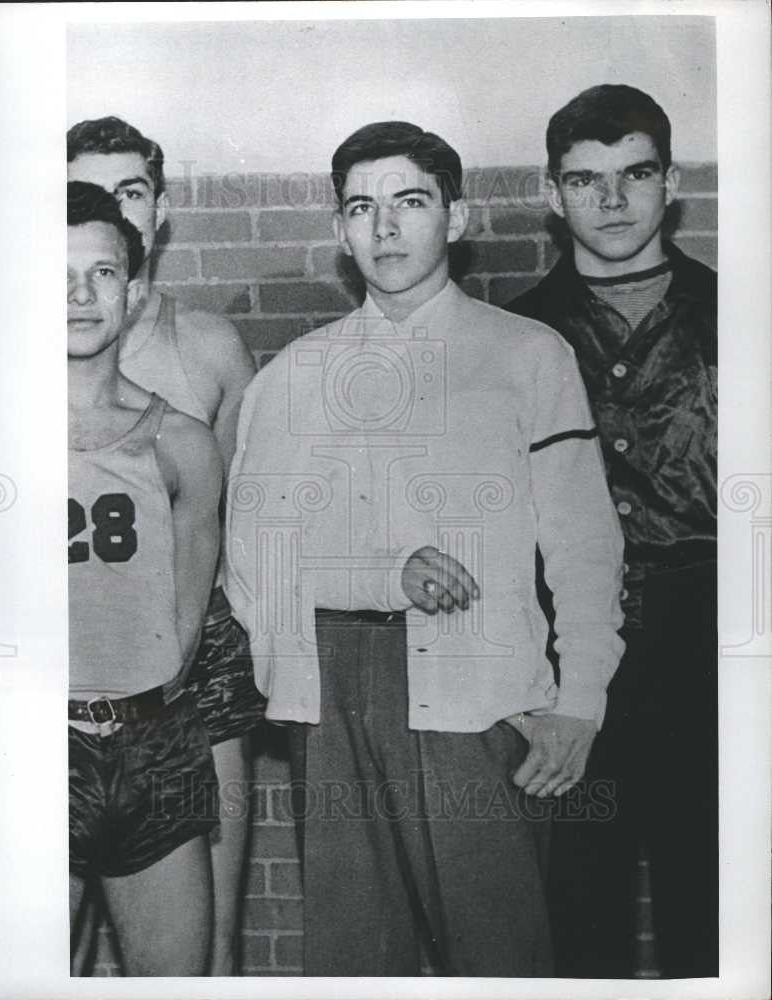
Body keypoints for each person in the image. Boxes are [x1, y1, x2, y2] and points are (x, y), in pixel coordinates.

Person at [224, 121, 625, 976]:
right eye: (362, 208)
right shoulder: (292, 374)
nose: (387, 228)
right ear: (340, 231)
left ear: (457, 216)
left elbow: (585, 545)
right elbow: (253, 561)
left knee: (501, 951)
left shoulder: (526, 354)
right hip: (331, 696)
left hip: (476, 697)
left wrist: (579, 698)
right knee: (357, 958)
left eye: (411, 202)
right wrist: (376, 574)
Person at [507, 84, 718, 978]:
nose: (613, 199)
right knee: (572, 917)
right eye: (586, 179)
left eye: (634, 173)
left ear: (670, 181)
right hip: (563, 654)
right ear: (553, 194)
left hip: (710, 651)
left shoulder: (736, 315)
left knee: (711, 907)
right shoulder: (514, 334)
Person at [67, 116, 265, 975]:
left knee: (188, 968)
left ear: (134, 283)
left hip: (152, 737)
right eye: (59, 276)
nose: (80, 294)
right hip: (30, 738)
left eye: (103, 273)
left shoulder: (182, 436)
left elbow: (183, 630)